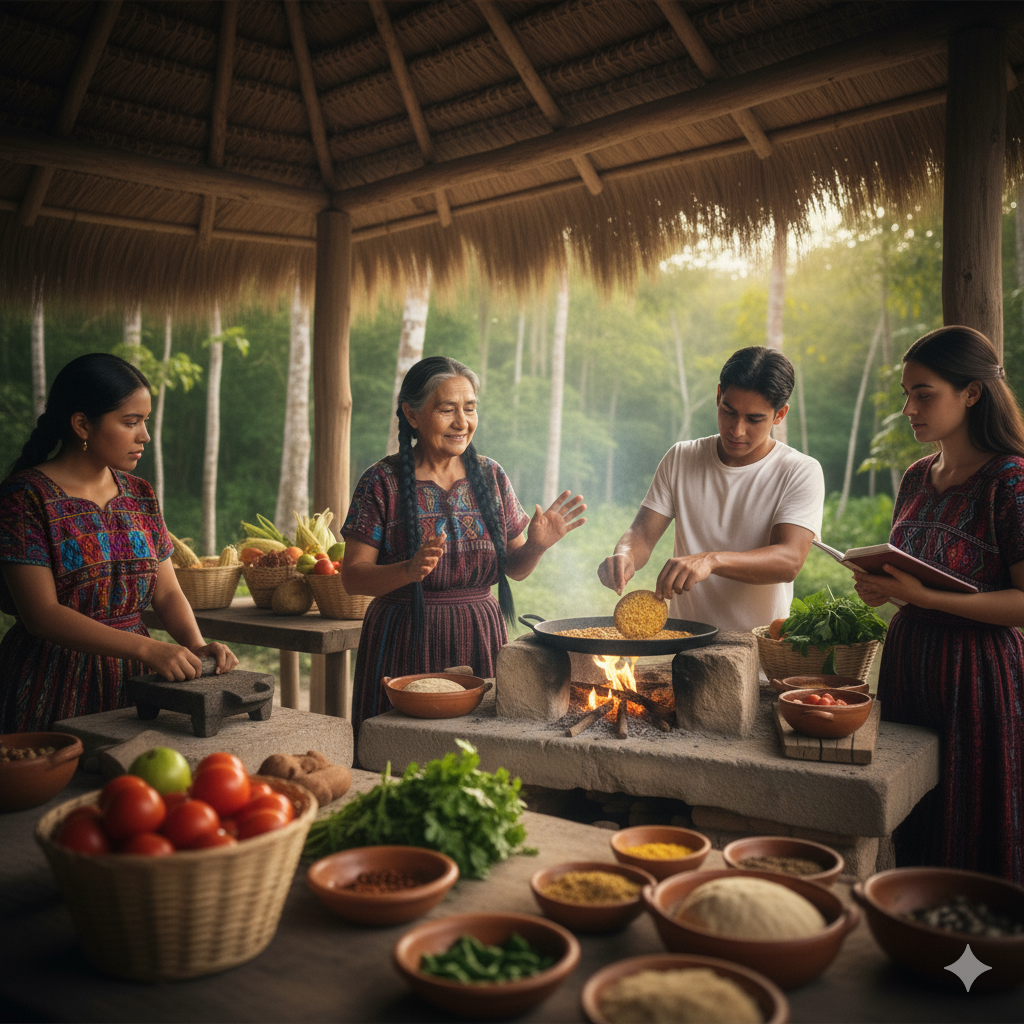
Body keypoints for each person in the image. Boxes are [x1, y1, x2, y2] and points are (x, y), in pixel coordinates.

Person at [852, 326, 1024, 883]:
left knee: (970, 822)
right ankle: (909, 942)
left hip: (977, 679)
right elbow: (907, 573)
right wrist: (883, 588)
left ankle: (975, 963)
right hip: (908, 668)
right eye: (907, 394)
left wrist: (925, 596)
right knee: (911, 817)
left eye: (923, 393)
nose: (909, 408)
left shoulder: (1011, 482)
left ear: (971, 393)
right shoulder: (916, 478)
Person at [341, 355, 586, 733]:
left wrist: (537, 545)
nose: (462, 422)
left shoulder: (491, 476)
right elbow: (353, 578)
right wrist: (407, 570)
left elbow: (515, 570)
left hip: (479, 633)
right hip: (405, 637)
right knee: (400, 748)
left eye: (470, 409)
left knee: (479, 752)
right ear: (412, 414)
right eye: (447, 410)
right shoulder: (381, 482)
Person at [0, 353, 238, 733]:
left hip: (134, 685)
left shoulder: (139, 494)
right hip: (49, 681)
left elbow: (167, 593)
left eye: (144, 421)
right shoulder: (25, 497)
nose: (144, 435)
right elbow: (41, 614)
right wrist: (148, 648)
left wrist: (195, 644)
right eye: (131, 422)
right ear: (82, 424)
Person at [598, 345, 825, 632]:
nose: (737, 429)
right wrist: (624, 555)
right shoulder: (681, 457)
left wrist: (712, 560)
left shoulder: (800, 471)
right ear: (718, 396)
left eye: (754, 419)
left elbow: (789, 560)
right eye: (729, 411)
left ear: (779, 415)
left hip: (759, 654)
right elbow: (641, 534)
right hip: (685, 647)